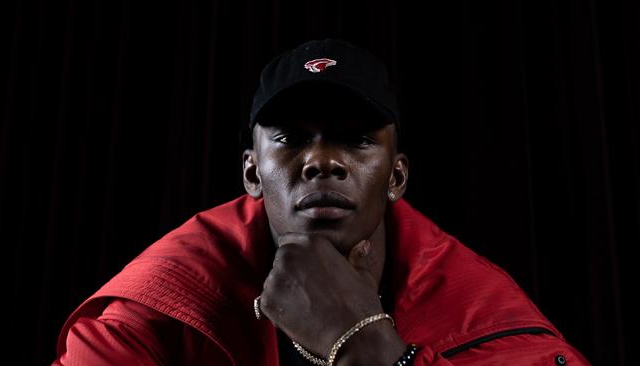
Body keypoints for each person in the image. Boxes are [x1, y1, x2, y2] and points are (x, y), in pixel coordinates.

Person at [53, 39, 590, 365]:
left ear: (396, 176)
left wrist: (369, 347)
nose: (321, 160)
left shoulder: (472, 298)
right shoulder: (163, 301)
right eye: (290, 138)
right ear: (251, 173)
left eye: (355, 139)